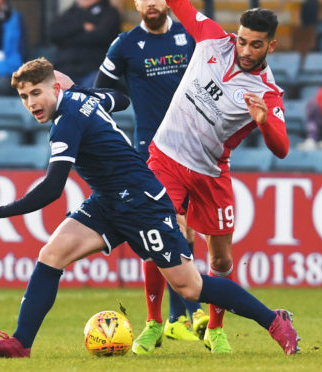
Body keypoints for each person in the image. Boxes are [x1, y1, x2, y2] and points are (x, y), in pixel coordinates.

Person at [0, 57, 299, 359]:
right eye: (25, 97)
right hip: (108, 199)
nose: (31, 104)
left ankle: (275, 321)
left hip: (143, 203)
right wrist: (80, 91)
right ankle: (20, 343)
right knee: (51, 255)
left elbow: (53, 188)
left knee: (189, 286)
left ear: (55, 87)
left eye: (36, 93)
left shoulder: (66, 120)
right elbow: (121, 100)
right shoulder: (84, 99)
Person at [135, 0, 291, 354]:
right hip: (167, 157)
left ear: (271, 46)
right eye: (242, 40)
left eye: (256, 44)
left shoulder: (267, 92)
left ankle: (215, 329)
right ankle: (154, 323)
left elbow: (281, 148)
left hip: (210, 173)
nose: (246, 49)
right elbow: (179, 5)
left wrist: (265, 122)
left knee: (220, 260)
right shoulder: (210, 38)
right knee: (156, 238)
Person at [94, 0, 207, 345]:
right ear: (136, 4)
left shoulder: (190, 37)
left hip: (192, 150)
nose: (151, 3)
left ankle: (172, 319)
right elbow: (102, 93)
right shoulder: (124, 45)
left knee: (181, 234)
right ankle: (185, 314)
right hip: (152, 154)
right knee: (168, 228)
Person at [49, 0, 121, 87]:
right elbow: (53, 33)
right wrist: (81, 26)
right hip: (64, 67)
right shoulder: (71, 12)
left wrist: (67, 38)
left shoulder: (109, 13)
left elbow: (100, 36)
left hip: (93, 69)